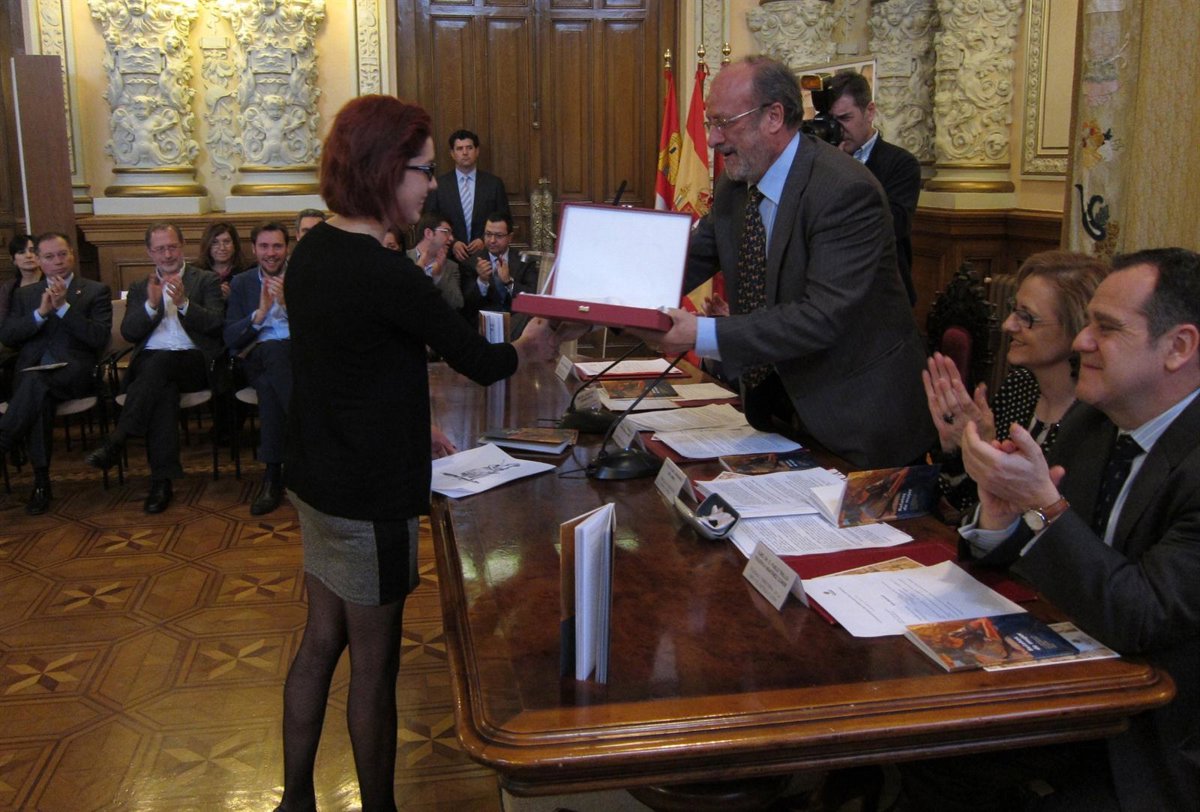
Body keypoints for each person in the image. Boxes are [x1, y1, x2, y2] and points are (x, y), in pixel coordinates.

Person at [277, 94, 575, 812]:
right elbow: (480, 360)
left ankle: (296, 801)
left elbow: (349, 366)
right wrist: (531, 344)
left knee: (320, 642)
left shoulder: (313, 250)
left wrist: (411, 427)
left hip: (316, 479)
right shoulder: (385, 272)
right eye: (422, 169)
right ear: (384, 169)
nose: (431, 186)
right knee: (374, 669)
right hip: (368, 497)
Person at [905, 247, 1200, 811]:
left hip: (1156, 738)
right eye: (1087, 323)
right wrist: (999, 518)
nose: (1083, 341)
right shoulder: (1094, 420)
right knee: (924, 752)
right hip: (1074, 691)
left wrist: (1043, 505)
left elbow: (1142, 616)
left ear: (1178, 347)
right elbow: (1044, 553)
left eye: (1106, 328)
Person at [635, 56, 934, 470]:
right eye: (709, 123)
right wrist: (590, 305)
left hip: (860, 425)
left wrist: (700, 333)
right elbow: (680, 265)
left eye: (724, 123)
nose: (714, 139)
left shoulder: (845, 190)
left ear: (773, 117)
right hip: (778, 412)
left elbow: (821, 316)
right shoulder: (734, 186)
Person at [923, 250, 1109, 512]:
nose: (1008, 325)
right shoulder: (1019, 387)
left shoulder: (1099, 418)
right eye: (1013, 311)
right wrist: (964, 449)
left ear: (1077, 327)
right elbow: (968, 509)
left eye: (1026, 317)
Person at [85, 223, 224, 514]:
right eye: (160, 249)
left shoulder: (205, 280)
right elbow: (129, 332)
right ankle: (162, 482)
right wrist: (150, 304)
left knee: (160, 364)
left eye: (172, 247)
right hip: (152, 366)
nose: (167, 254)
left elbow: (215, 324)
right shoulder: (140, 287)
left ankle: (119, 438)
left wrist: (184, 303)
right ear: (150, 252)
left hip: (192, 361)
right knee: (162, 391)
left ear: (182, 246)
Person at [0, 233, 111, 514]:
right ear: (39, 260)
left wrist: (63, 309)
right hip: (32, 376)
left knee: (35, 384)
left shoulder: (94, 291)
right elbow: (8, 336)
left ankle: (6, 440)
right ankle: (41, 482)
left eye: (62, 254)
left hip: (73, 373)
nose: (58, 261)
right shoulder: (25, 295)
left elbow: (98, 338)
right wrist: (39, 313)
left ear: (72, 254)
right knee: (39, 396)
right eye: (49, 257)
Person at [827, 70, 922, 306]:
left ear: (869, 112)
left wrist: (842, 169)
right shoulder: (821, 160)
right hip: (832, 289)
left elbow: (894, 225)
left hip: (881, 294)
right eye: (831, 120)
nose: (837, 129)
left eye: (845, 118)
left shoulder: (901, 163)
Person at [224, 221, 291, 516]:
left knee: (268, 386)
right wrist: (260, 314)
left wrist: (287, 305)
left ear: (287, 248)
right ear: (254, 249)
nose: (271, 253)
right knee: (272, 351)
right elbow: (230, 337)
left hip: (294, 359)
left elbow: (319, 329)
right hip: (256, 355)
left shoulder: (302, 277)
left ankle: (272, 477)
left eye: (277, 246)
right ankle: (308, 437)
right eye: (264, 246)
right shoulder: (242, 282)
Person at [424, 128, 510, 264]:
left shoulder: (494, 184)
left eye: (469, 148)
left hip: (486, 257)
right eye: (459, 149)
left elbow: (505, 219)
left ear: (477, 151)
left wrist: (484, 239)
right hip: (448, 258)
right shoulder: (439, 186)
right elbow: (430, 220)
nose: (465, 153)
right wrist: (452, 242)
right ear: (452, 153)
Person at [461, 211, 538, 334]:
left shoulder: (525, 262)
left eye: (498, 236)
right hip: (483, 326)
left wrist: (509, 282)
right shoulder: (471, 263)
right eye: (488, 234)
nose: (492, 240)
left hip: (518, 326)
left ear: (510, 237)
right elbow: (466, 304)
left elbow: (533, 299)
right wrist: (482, 281)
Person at [406, 212, 463, 312]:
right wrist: (417, 272)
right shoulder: (404, 258)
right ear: (428, 233)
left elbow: (457, 303)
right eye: (446, 232)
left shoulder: (451, 267)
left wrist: (438, 277)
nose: (451, 238)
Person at [1, 234, 44, 340]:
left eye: (32, 250)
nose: (28, 255)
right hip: (17, 339)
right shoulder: (9, 288)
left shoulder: (51, 281)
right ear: (13, 260)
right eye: (21, 252)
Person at [194, 221, 246, 299]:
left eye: (226, 242)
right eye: (215, 242)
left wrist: (233, 297)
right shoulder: (196, 273)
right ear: (207, 245)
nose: (222, 248)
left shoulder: (245, 271)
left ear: (234, 245)